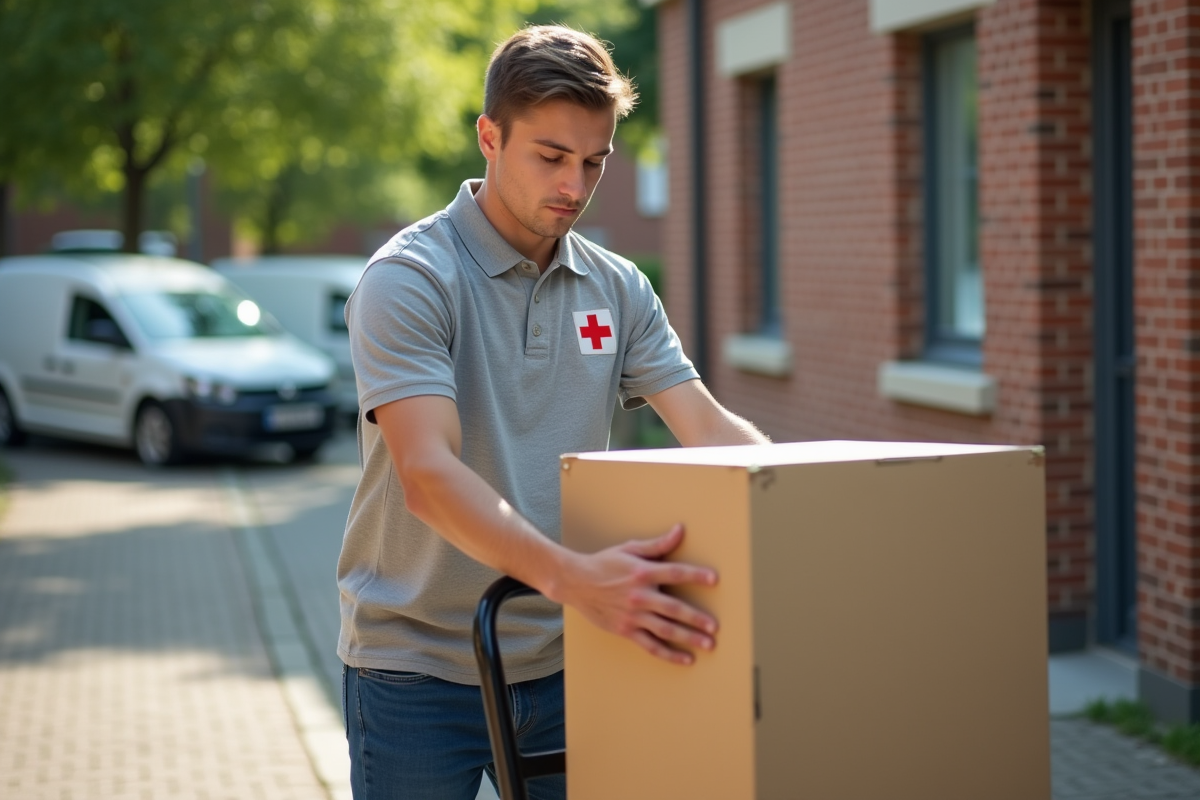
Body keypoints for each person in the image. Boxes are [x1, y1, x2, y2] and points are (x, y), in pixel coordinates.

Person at [337, 24, 770, 800]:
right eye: (551, 156)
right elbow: (427, 476)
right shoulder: (410, 279)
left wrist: (803, 508)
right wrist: (576, 580)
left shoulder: (618, 288)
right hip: (415, 669)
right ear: (490, 137)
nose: (575, 184)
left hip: (570, 658)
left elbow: (708, 430)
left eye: (595, 162)